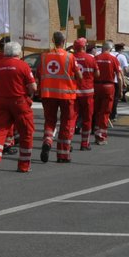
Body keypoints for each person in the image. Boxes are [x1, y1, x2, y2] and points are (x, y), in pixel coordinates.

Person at [0, 42, 35, 174]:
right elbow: (33, 87)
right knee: (26, 132)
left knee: (0, 131)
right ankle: (24, 165)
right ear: (18, 53)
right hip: (20, 102)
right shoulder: (23, 65)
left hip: (2, 101)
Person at [36, 31, 77, 163]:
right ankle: (63, 154)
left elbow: (39, 73)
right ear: (64, 42)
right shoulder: (70, 57)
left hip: (48, 93)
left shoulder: (44, 56)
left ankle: (48, 140)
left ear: (53, 41)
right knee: (66, 122)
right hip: (66, 94)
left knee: (50, 121)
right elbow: (79, 75)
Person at [91, 42, 124, 145]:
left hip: (96, 86)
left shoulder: (95, 58)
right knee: (105, 112)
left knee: (96, 111)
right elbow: (119, 76)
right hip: (108, 87)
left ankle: (97, 133)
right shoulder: (113, 59)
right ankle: (102, 136)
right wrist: (121, 90)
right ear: (110, 49)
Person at [71, 37, 97, 150]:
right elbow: (97, 74)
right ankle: (84, 143)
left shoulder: (70, 58)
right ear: (83, 47)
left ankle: (68, 142)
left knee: (71, 118)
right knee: (87, 119)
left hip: (73, 93)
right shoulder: (90, 58)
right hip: (87, 93)